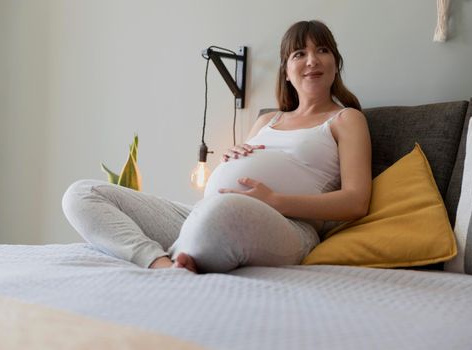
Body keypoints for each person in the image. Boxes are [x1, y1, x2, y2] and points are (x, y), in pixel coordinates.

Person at [62, 20, 371, 274]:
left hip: (286, 226)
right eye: (298, 54)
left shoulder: (346, 119)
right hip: (204, 214)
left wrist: (276, 201)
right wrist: (231, 158)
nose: (312, 60)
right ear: (286, 72)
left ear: (335, 64)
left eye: (322, 50)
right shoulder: (267, 120)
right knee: (82, 194)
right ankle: (160, 263)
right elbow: (241, 171)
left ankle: (186, 255)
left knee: (223, 213)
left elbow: (356, 202)